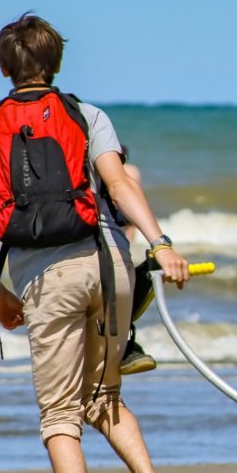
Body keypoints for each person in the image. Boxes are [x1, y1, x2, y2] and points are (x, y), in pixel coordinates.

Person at [0, 13, 190, 473]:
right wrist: (160, 244)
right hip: (111, 265)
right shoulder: (87, 114)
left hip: (47, 279)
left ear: (3, 66)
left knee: (59, 413)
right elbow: (119, 183)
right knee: (103, 394)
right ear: (56, 61)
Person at [101, 146, 156, 375]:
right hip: (118, 239)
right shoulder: (129, 171)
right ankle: (125, 344)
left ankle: (123, 345)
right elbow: (131, 216)